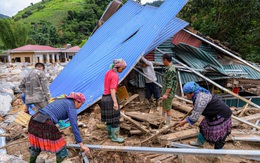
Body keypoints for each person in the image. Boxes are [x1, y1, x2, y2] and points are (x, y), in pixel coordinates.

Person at [28, 92, 90, 163]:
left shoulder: (62, 100)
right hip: (45, 123)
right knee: (62, 151)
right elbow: (74, 126)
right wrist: (81, 144)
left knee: (36, 145)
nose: (80, 107)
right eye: (81, 104)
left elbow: (54, 112)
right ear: (76, 102)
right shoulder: (71, 107)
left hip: (33, 120)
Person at [178, 82, 232, 150]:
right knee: (203, 127)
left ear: (192, 93)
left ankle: (218, 155)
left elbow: (194, 116)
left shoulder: (200, 99)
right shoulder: (198, 91)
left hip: (221, 115)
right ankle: (199, 143)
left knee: (219, 137)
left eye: (186, 94)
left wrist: (183, 122)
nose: (185, 96)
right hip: (212, 113)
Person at [101, 58, 127, 143]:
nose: (122, 70)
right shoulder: (115, 75)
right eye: (122, 68)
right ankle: (115, 137)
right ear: (118, 67)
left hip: (104, 97)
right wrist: (115, 102)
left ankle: (110, 135)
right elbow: (112, 89)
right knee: (115, 119)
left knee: (109, 119)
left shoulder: (108, 72)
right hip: (111, 98)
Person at [161, 53, 178, 126]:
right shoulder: (170, 68)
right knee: (164, 106)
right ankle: (161, 121)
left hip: (168, 93)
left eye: (162, 60)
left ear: (165, 60)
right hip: (166, 91)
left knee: (168, 108)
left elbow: (170, 84)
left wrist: (166, 94)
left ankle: (167, 124)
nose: (162, 61)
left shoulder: (170, 70)